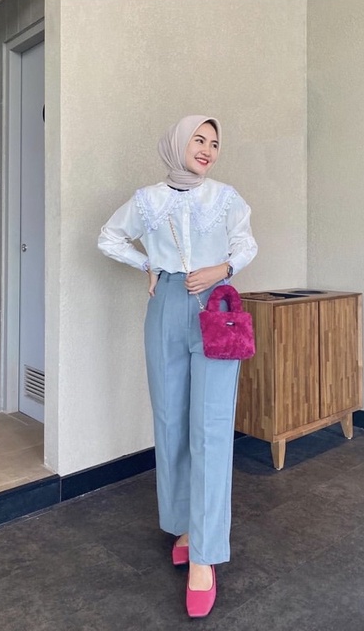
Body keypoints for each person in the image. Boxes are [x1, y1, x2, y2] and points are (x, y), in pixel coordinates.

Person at [97, 115, 258, 618]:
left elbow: (246, 244)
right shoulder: (147, 200)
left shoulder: (226, 198)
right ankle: (185, 526)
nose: (208, 149)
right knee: (170, 422)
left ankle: (205, 555)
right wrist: (148, 264)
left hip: (216, 307)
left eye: (215, 143)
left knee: (211, 426)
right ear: (178, 144)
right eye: (199, 140)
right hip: (166, 305)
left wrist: (221, 268)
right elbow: (108, 237)